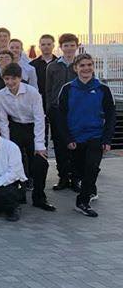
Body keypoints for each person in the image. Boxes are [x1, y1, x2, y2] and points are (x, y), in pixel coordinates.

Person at [57, 54, 116, 217]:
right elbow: (60, 116)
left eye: (89, 65)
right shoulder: (67, 89)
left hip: (95, 135)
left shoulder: (102, 89)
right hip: (75, 138)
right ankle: (91, 189)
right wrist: (67, 139)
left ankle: (82, 202)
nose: (86, 68)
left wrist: (107, 139)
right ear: (76, 68)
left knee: (91, 168)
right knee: (79, 170)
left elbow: (111, 115)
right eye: (82, 65)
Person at [0, 63, 55, 211]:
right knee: (15, 162)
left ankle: (39, 197)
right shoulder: (0, 95)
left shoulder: (32, 92)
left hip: (33, 127)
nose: (10, 82)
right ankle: (18, 195)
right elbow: (3, 121)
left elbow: (40, 118)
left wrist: (39, 145)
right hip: (15, 127)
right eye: (7, 79)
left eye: (13, 79)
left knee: (40, 162)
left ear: (20, 78)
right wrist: (6, 144)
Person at [46, 33, 80, 191]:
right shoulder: (52, 66)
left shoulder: (81, 65)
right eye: (66, 45)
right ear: (61, 47)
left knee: (76, 144)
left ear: (76, 46)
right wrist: (49, 110)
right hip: (57, 111)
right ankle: (63, 177)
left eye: (72, 45)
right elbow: (48, 90)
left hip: (76, 111)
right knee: (59, 145)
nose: (69, 48)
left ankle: (76, 178)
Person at [30, 34, 56, 100]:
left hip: (55, 100)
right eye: (43, 44)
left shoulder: (59, 64)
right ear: (39, 46)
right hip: (38, 99)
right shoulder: (32, 65)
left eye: (49, 44)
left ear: (53, 46)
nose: (46, 47)